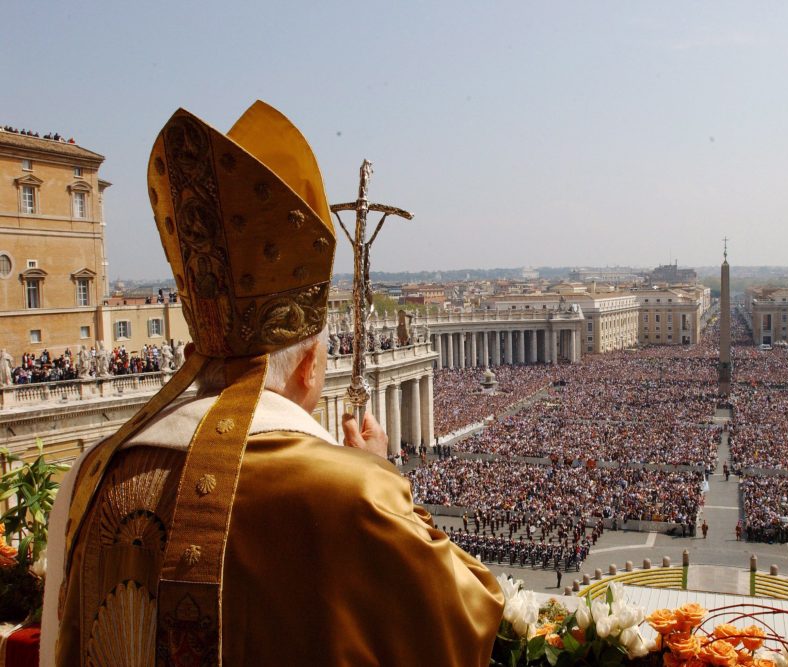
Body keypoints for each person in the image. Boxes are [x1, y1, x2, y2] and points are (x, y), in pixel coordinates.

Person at [41, 102, 502, 666]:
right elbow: (468, 616)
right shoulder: (351, 495)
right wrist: (383, 477)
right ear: (310, 366)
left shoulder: (92, 474)